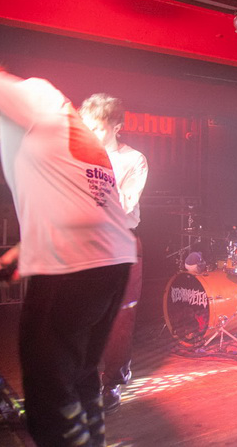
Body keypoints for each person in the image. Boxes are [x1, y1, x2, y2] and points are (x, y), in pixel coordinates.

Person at [0, 56, 136, 446]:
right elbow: (80, 202)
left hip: (75, 264)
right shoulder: (53, 123)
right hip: (109, 261)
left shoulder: (29, 94)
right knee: (79, 376)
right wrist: (24, 249)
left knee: (47, 394)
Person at [79, 93, 148, 412]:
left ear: (116, 127)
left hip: (120, 242)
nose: (91, 133)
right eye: (88, 126)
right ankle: (83, 379)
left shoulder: (133, 160)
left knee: (120, 317)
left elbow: (124, 206)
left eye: (98, 127)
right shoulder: (77, 157)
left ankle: (113, 382)